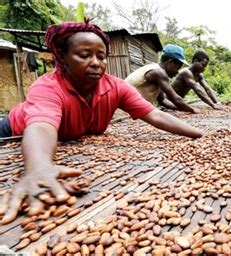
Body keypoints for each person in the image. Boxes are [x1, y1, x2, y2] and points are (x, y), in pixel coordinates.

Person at [0, 20, 204, 224]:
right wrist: (39, 167)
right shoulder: (48, 87)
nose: (96, 62)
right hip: (11, 132)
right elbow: (41, 127)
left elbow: (156, 115)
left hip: (71, 137)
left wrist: (202, 135)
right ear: (62, 57)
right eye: (84, 55)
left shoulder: (116, 87)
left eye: (101, 56)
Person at [125, 44, 200, 113]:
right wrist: (192, 110)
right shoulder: (159, 73)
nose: (177, 72)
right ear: (170, 62)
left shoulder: (157, 73)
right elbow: (176, 99)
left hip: (133, 110)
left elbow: (163, 100)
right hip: (124, 113)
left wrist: (181, 109)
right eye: (178, 68)